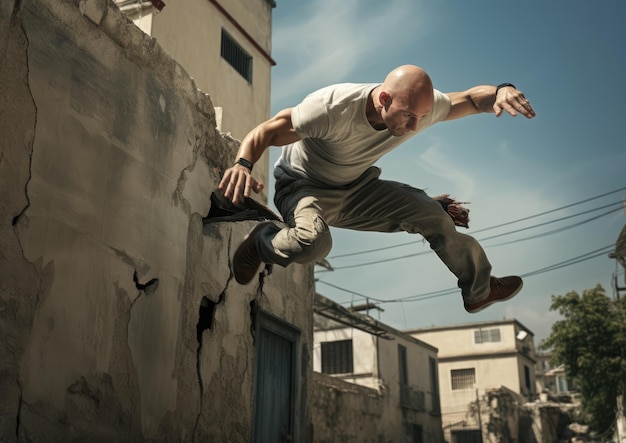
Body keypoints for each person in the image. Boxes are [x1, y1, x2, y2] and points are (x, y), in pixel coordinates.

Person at [218, 65, 536, 313]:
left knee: (431, 215)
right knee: (314, 244)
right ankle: (261, 242)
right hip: (303, 188)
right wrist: (243, 164)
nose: (413, 127)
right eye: (408, 116)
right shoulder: (332, 107)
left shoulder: (421, 109)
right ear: (384, 99)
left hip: (358, 189)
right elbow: (269, 130)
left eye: (422, 118)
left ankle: (479, 290)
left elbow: (467, 99)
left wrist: (500, 90)